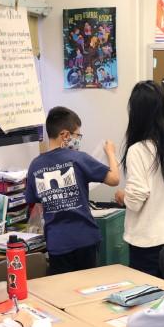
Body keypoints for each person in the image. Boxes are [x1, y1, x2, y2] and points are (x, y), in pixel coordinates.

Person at [26, 106, 120, 274]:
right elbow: (114, 179)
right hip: (85, 238)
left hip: (57, 242)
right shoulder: (78, 158)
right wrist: (111, 153)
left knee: (63, 293)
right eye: (77, 135)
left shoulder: (35, 165)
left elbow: (35, 201)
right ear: (65, 135)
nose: (78, 140)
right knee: (86, 290)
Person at [114, 80, 164, 278]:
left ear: (136, 113)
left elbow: (136, 200)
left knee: (149, 303)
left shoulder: (137, 150)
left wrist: (122, 196)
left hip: (147, 245)